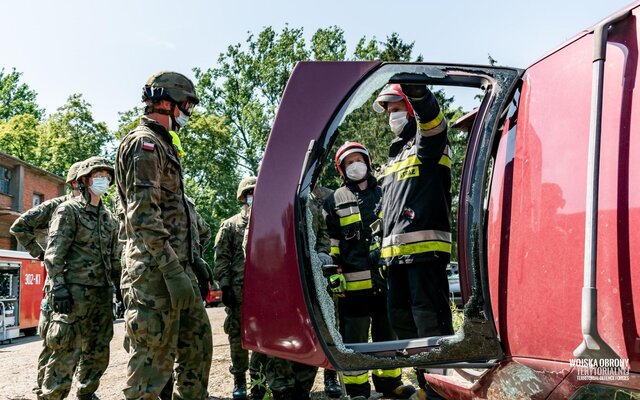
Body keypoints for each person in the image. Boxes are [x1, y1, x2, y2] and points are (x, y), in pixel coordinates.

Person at [115, 71, 212, 400]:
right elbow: (143, 215)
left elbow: (174, 213)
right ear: (168, 103)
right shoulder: (144, 145)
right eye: (186, 105)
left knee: (197, 348)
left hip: (177, 268)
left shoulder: (165, 145)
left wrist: (193, 262)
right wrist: (172, 270)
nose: (189, 112)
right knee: (150, 369)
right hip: (155, 274)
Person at [373, 83, 454, 400]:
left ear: (410, 108)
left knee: (430, 328)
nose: (392, 115)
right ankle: (426, 387)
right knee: (405, 328)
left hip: (424, 256)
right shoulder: (393, 157)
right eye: (389, 111)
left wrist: (420, 96)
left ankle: (441, 392)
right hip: (395, 262)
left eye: (397, 108)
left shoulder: (426, 143)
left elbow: (434, 124)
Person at [324, 141, 416, 400]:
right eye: (349, 162)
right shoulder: (334, 200)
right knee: (355, 339)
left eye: (358, 159)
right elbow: (331, 241)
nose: (355, 165)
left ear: (367, 161)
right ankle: (357, 391)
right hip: (353, 285)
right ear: (342, 169)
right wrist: (332, 271)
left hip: (386, 279)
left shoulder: (387, 191)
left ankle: (390, 383)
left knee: (387, 335)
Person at [40, 156, 120, 400]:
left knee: (98, 353)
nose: (103, 181)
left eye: (107, 177)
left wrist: (121, 291)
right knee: (64, 352)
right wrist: (59, 288)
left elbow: (115, 260)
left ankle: (86, 393)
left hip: (102, 295)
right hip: (73, 296)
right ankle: (52, 396)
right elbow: (54, 254)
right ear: (84, 180)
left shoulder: (109, 218)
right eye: (99, 176)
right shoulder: (68, 210)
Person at [10, 160, 83, 399]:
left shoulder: (89, 209)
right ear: (75, 182)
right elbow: (19, 226)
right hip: (57, 282)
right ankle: (42, 386)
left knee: (75, 341)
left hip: (80, 284)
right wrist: (39, 253)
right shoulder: (57, 206)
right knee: (54, 339)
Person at [262, 184, 333, 400]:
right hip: (279, 282)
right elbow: (256, 241)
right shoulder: (269, 205)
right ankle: (282, 391)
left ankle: (303, 389)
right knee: (282, 338)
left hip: (308, 282)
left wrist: (322, 253)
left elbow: (322, 236)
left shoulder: (310, 204)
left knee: (309, 335)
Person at [214, 176, 267, 400]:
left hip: (263, 292)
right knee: (237, 337)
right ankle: (239, 380)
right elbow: (221, 259)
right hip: (237, 292)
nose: (252, 198)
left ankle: (259, 380)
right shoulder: (230, 225)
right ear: (242, 197)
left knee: (263, 337)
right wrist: (224, 287)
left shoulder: (267, 222)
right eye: (248, 194)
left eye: (256, 193)